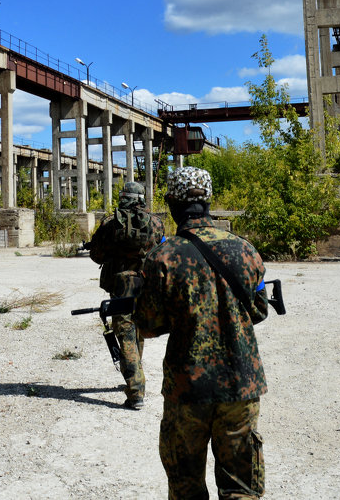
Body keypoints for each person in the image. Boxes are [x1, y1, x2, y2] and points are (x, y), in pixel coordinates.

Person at [133, 166, 269, 499]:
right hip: (241, 384)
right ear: (208, 201)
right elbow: (260, 310)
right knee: (240, 488)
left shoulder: (161, 257)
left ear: (171, 203)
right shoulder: (245, 250)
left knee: (185, 485)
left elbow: (147, 326)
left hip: (187, 389)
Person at [88, 180, 165, 409]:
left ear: (123, 198)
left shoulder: (111, 223)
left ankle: (135, 392)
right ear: (142, 199)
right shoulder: (157, 223)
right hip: (147, 285)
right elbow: (162, 252)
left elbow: (97, 256)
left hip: (121, 287)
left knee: (126, 336)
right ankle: (135, 375)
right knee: (137, 331)